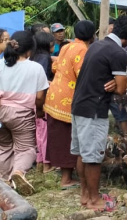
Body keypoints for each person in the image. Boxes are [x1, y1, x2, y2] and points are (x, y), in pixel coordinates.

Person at [72, 15, 127, 212]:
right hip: (94, 108)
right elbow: (120, 89)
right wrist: (116, 84)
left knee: (83, 153)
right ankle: (94, 200)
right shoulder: (117, 52)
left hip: (79, 105)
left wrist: (114, 83)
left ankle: (85, 195)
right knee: (93, 157)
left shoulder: (96, 45)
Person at [45, 20, 94, 191]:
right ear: (93, 35)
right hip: (68, 99)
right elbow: (83, 75)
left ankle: (60, 171)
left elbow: (55, 66)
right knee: (67, 138)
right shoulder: (83, 50)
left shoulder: (67, 46)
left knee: (58, 136)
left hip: (54, 95)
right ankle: (66, 179)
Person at [0, 31, 49, 195]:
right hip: (22, 115)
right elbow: (40, 97)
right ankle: (18, 173)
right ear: (30, 50)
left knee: (4, 147)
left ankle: (4, 179)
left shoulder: (1, 64)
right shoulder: (35, 68)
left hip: (1, 113)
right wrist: (40, 111)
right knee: (26, 148)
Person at [31, 31, 54, 174]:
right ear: (48, 44)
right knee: (45, 132)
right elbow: (43, 80)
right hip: (43, 99)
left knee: (39, 132)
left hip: (32, 99)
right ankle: (46, 164)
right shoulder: (45, 58)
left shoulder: (33, 57)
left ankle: (39, 161)